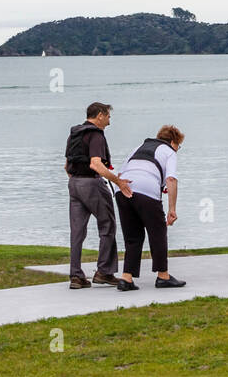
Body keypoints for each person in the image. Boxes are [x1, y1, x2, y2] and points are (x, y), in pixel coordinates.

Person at [66, 102, 131, 289]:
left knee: (77, 232)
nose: (109, 122)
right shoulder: (95, 135)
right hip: (92, 183)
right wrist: (118, 181)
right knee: (107, 224)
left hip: (74, 184)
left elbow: (67, 167)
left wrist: (77, 182)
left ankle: (76, 276)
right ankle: (104, 271)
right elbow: (96, 164)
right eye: (109, 117)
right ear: (100, 115)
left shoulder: (74, 134)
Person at [114, 125, 186, 291]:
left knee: (133, 236)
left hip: (123, 189)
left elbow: (119, 174)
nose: (177, 149)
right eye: (178, 146)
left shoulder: (138, 147)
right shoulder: (169, 152)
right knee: (158, 233)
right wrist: (172, 209)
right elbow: (171, 179)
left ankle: (127, 278)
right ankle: (163, 276)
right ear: (173, 142)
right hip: (146, 189)